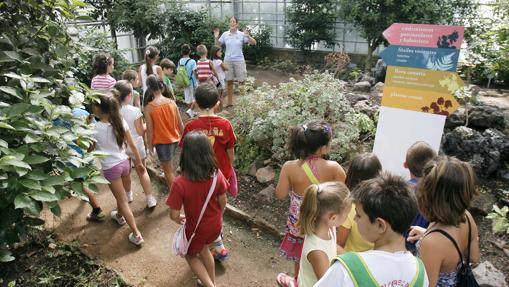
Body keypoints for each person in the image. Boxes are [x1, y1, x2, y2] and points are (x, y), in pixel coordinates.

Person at [315, 172, 429, 287]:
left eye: (358, 215)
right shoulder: (421, 272)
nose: (354, 219)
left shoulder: (348, 268)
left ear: (380, 225)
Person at [275, 121, 346, 287]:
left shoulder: (289, 167)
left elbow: (280, 194)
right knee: (322, 252)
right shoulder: (334, 168)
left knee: (301, 253)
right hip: (324, 221)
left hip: (299, 222)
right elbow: (343, 195)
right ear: (322, 148)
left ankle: (297, 280)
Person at [180, 84, 237, 261]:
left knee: (201, 206)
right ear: (217, 103)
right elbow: (230, 151)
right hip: (221, 174)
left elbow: (185, 151)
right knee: (219, 204)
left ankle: (211, 238)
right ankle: (217, 238)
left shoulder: (191, 126)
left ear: (195, 103)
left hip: (198, 175)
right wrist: (229, 168)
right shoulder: (225, 124)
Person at [167, 131, 228, 287]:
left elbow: (173, 215)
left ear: (185, 154)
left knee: (190, 255)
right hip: (215, 225)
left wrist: (178, 218)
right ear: (208, 151)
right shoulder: (217, 174)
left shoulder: (180, 183)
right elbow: (223, 202)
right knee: (204, 250)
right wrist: (218, 216)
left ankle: (210, 285)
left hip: (197, 228)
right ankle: (211, 281)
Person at [408, 156, 480, 286]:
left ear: (429, 198)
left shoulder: (431, 243)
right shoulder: (467, 217)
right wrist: (427, 233)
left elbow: (427, 284)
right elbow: (474, 258)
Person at [90, 95, 145, 246]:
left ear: (100, 109)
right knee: (124, 197)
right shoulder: (120, 121)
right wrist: (139, 163)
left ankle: (136, 234)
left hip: (111, 168)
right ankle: (119, 216)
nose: (92, 108)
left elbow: (89, 149)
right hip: (125, 162)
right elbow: (132, 145)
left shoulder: (94, 128)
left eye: (94, 106)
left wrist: (86, 128)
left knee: (123, 200)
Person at [296, 182, 352, 287]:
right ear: (333, 218)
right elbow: (327, 283)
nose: (348, 218)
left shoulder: (329, 228)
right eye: (347, 215)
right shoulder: (317, 252)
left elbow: (332, 246)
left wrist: (354, 259)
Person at [112, 81, 156, 208]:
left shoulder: (113, 112)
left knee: (126, 174)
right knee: (142, 171)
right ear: (129, 95)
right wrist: (147, 125)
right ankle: (149, 199)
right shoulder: (135, 111)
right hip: (136, 145)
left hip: (121, 147)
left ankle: (129, 195)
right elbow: (141, 131)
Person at [144, 75, 184, 190]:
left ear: (149, 89)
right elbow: (180, 124)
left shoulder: (149, 108)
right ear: (162, 87)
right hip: (176, 139)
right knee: (174, 169)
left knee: (168, 172)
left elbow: (150, 130)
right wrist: (184, 137)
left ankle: (175, 195)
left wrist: (150, 145)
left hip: (162, 143)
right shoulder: (172, 102)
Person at [338, 153, 381, 253]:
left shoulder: (350, 207)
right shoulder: (384, 203)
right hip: (373, 259)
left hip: (353, 260)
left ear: (351, 175)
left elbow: (340, 242)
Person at [214, 16, 256, 108]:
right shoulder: (225, 34)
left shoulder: (241, 34)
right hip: (228, 61)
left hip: (239, 61)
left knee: (242, 81)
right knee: (229, 82)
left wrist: (248, 36)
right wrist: (216, 37)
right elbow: (217, 45)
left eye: (234, 22)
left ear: (237, 24)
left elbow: (254, 43)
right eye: (231, 21)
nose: (232, 23)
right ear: (229, 23)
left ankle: (243, 103)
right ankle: (229, 102)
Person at [404, 141, 437, 253]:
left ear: (405, 165)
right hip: (428, 245)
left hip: (404, 243)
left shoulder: (402, 190)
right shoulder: (439, 191)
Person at [177, 44, 198, 118]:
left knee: (188, 98)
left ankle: (192, 112)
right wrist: (197, 79)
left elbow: (178, 71)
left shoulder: (180, 61)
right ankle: (191, 110)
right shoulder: (192, 61)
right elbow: (195, 72)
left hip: (184, 82)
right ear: (190, 51)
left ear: (181, 52)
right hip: (192, 82)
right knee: (196, 97)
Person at [210, 45, 228, 112]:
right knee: (221, 96)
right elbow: (226, 68)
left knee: (216, 96)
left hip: (214, 80)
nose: (221, 53)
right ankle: (221, 110)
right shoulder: (219, 62)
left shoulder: (211, 61)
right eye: (220, 52)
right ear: (216, 53)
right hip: (220, 80)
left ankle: (216, 110)